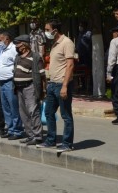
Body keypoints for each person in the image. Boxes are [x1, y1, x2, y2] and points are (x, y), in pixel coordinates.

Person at [37, 19, 76, 152]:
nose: (45, 32)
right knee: (48, 113)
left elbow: (70, 65)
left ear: (55, 30)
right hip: (52, 84)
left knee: (66, 115)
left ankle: (67, 143)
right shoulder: (54, 44)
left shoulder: (67, 42)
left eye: (47, 30)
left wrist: (65, 86)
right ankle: (51, 140)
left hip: (62, 84)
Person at [13, 35, 45, 145]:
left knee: (33, 111)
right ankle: (30, 135)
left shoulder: (35, 57)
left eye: (18, 44)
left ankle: (38, 136)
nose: (16, 46)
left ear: (24, 44)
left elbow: (42, 75)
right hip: (19, 88)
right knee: (23, 113)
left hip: (30, 87)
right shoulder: (18, 56)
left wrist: (43, 90)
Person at [0, 31, 24, 140]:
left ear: (7, 39)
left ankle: (17, 130)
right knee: (6, 107)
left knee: (13, 107)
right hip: (2, 82)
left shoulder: (13, 49)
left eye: (0, 40)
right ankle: (10, 129)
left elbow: (17, 64)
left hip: (10, 81)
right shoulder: (3, 50)